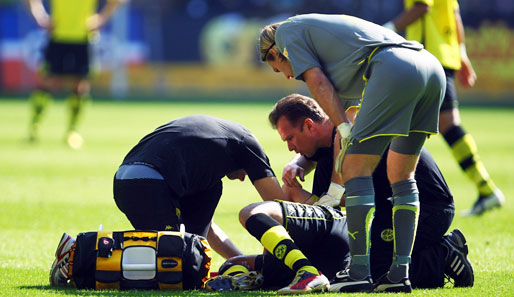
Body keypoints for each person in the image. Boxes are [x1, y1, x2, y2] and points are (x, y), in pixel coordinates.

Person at [259, 14, 446, 292]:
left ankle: (358, 271)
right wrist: (308, 159)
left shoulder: (286, 33)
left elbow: (318, 83)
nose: (288, 75)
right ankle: (399, 275)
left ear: (274, 52)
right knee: (402, 176)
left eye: (278, 68)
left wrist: (345, 144)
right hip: (430, 67)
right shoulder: (341, 63)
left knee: (357, 169)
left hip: (394, 66)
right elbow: (343, 122)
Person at [382, 0, 504, 216]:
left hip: (426, 57)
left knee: (406, 121)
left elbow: (422, 7)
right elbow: (454, 16)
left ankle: (399, 193)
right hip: (442, 55)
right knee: (438, 123)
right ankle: (485, 189)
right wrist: (462, 54)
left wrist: (387, 29)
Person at [112, 115, 287, 260]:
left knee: (191, 252)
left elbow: (204, 227)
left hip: (123, 180)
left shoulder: (208, 167)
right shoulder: (246, 143)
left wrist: (239, 260)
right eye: (246, 172)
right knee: (174, 265)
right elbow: (282, 210)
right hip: (149, 184)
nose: (242, 178)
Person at [26, 0, 123, 149]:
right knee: (47, 82)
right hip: (57, 36)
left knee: (80, 85)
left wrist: (102, 18)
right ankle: (34, 126)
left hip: (84, 37)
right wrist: (39, 15)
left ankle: (72, 131)